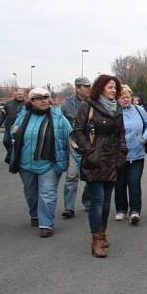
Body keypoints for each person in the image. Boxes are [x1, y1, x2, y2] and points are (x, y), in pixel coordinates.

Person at [72, 75, 127, 258]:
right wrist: (89, 151)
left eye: (115, 88)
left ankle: (102, 234)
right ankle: (96, 240)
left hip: (112, 160)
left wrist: (122, 152)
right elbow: (78, 131)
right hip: (94, 160)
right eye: (110, 87)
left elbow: (121, 132)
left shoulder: (117, 108)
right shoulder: (88, 106)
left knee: (105, 203)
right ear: (101, 88)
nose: (114, 90)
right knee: (97, 200)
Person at [9, 88, 72, 237]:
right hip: (25, 163)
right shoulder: (24, 115)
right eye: (39, 98)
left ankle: (46, 224)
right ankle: (35, 215)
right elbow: (14, 130)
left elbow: (71, 135)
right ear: (31, 101)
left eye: (46, 97)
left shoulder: (58, 117)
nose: (43, 100)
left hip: (49, 163)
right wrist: (15, 131)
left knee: (47, 193)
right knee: (30, 193)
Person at [114, 85, 147, 224]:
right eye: (122, 97)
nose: (125, 100)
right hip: (118, 155)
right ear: (116, 99)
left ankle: (135, 211)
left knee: (134, 183)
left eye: (127, 97)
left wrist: (146, 137)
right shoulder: (113, 112)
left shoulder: (139, 109)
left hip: (137, 154)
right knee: (119, 184)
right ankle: (121, 209)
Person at [60, 76, 92, 218]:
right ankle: (69, 207)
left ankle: (88, 201)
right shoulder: (67, 104)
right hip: (74, 145)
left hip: (91, 144)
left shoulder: (94, 102)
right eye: (85, 86)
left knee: (91, 176)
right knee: (72, 175)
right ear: (77, 88)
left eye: (89, 86)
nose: (88, 88)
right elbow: (60, 123)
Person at [0, 89, 26, 164]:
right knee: (6, 141)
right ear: (15, 95)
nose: (20, 96)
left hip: (21, 128)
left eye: (21, 94)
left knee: (19, 144)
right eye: (18, 94)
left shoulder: (27, 104)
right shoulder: (8, 104)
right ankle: (11, 154)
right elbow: (3, 115)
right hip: (9, 127)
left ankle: (11, 157)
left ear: (23, 95)